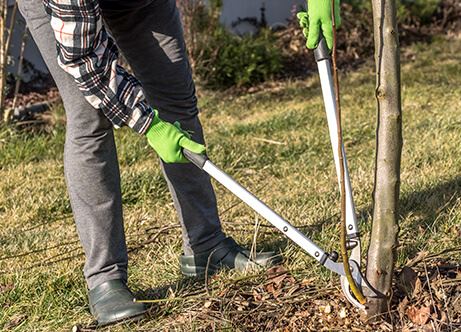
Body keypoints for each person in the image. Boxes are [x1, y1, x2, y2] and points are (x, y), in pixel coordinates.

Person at [17, 0, 333, 326]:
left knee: (175, 96)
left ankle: (206, 245)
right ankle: (105, 277)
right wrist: (148, 124)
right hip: (62, 14)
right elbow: (83, 58)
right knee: (90, 118)